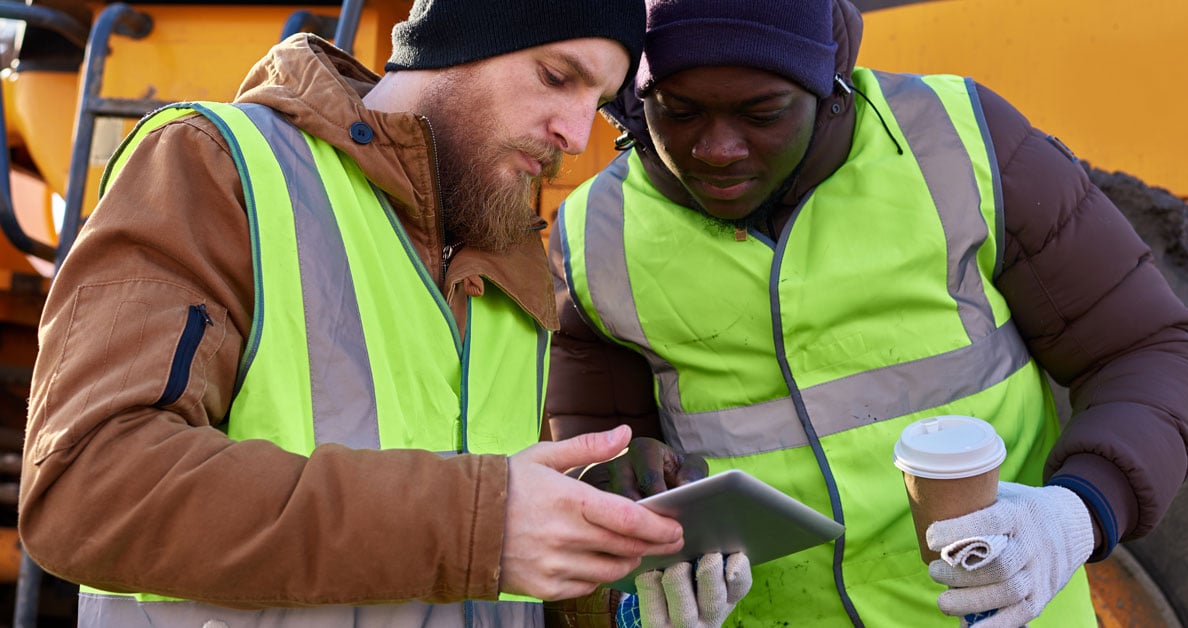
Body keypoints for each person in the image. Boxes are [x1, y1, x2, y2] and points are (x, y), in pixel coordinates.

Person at [17, 1, 692, 626]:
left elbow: (482, 562)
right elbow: (89, 486)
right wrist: (477, 524)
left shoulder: (509, 257)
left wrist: (610, 568)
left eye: (598, 103)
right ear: (457, 43)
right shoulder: (219, 165)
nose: (575, 136)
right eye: (555, 76)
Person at [547, 0, 1188, 626]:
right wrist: (624, 531)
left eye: (762, 111)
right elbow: (600, 457)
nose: (718, 148)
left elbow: (1152, 350)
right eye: (679, 111)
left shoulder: (963, 143)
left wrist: (1077, 512)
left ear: (827, 85)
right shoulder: (594, 234)